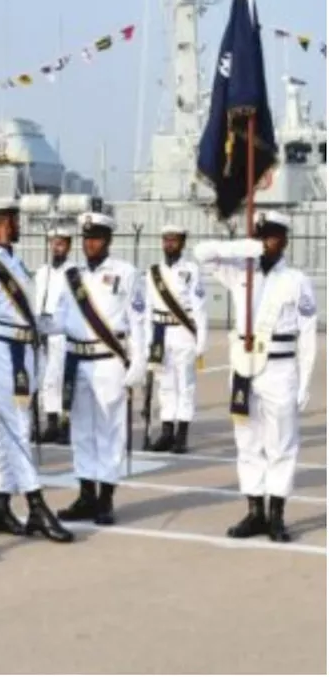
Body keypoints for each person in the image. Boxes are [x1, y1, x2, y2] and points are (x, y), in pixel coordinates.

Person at [195, 212, 316, 542]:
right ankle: (254, 511)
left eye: (273, 238)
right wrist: (241, 248)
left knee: (281, 444)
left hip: (279, 369)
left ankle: (276, 514)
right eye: (262, 237)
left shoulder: (296, 280)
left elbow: (307, 336)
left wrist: (305, 381)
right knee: (247, 443)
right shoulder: (240, 270)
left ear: (285, 241)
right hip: (244, 369)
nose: (267, 244)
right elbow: (201, 253)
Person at [0, 200, 73, 542]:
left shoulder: (14, 263)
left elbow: (25, 315)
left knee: (10, 433)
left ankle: (1, 507)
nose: (21, 225)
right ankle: (36, 504)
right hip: (0, 351)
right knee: (18, 428)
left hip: (24, 350)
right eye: (17, 220)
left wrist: (61, 326)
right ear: (3, 223)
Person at [49, 211, 148, 527]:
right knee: (81, 431)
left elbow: (139, 322)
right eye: (86, 238)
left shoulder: (126, 273)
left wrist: (139, 362)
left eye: (95, 238)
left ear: (107, 240)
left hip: (108, 361)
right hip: (76, 361)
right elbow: (62, 319)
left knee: (109, 430)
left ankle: (105, 498)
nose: (89, 243)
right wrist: (40, 325)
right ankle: (85, 494)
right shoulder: (71, 276)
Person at [143, 224, 208, 453]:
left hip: (183, 332)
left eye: (174, 240)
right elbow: (148, 309)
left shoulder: (191, 270)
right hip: (160, 334)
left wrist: (201, 342)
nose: (169, 244)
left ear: (182, 243)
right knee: (165, 385)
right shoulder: (153, 272)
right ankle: (167, 431)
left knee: (185, 385)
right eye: (166, 240)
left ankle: (182, 435)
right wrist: (148, 341)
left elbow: (199, 308)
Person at [34, 227, 74, 446]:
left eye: (61, 243)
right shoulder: (43, 272)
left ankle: (65, 425)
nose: (56, 247)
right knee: (46, 380)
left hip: (63, 333)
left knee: (62, 380)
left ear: (68, 246)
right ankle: (50, 423)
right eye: (53, 243)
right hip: (43, 331)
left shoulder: (74, 272)